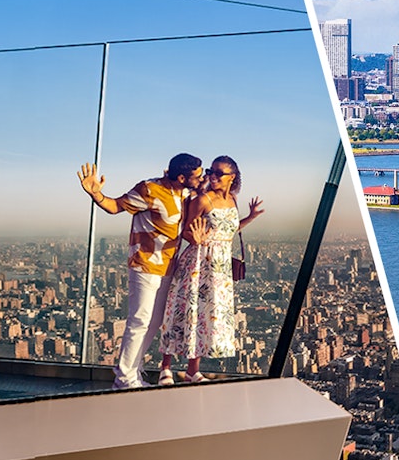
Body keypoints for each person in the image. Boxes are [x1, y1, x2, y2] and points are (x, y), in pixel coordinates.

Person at [78, 153, 204, 389]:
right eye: (197, 175)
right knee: (139, 321)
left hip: (168, 267)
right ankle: (125, 378)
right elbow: (115, 206)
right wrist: (96, 193)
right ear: (181, 177)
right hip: (145, 266)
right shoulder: (150, 190)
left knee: (154, 322)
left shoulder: (185, 193)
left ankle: (132, 371)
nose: (201, 178)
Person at [159, 156, 263, 384]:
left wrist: (250, 218)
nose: (213, 176)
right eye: (211, 171)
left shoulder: (233, 200)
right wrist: (194, 237)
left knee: (205, 316)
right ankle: (165, 366)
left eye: (219, 173)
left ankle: (192, 371)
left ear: (232, 177)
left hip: (219, 269)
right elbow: (186, 230)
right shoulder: (203, 200)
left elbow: (229, 230)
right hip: (197, 261)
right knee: (183, 310)